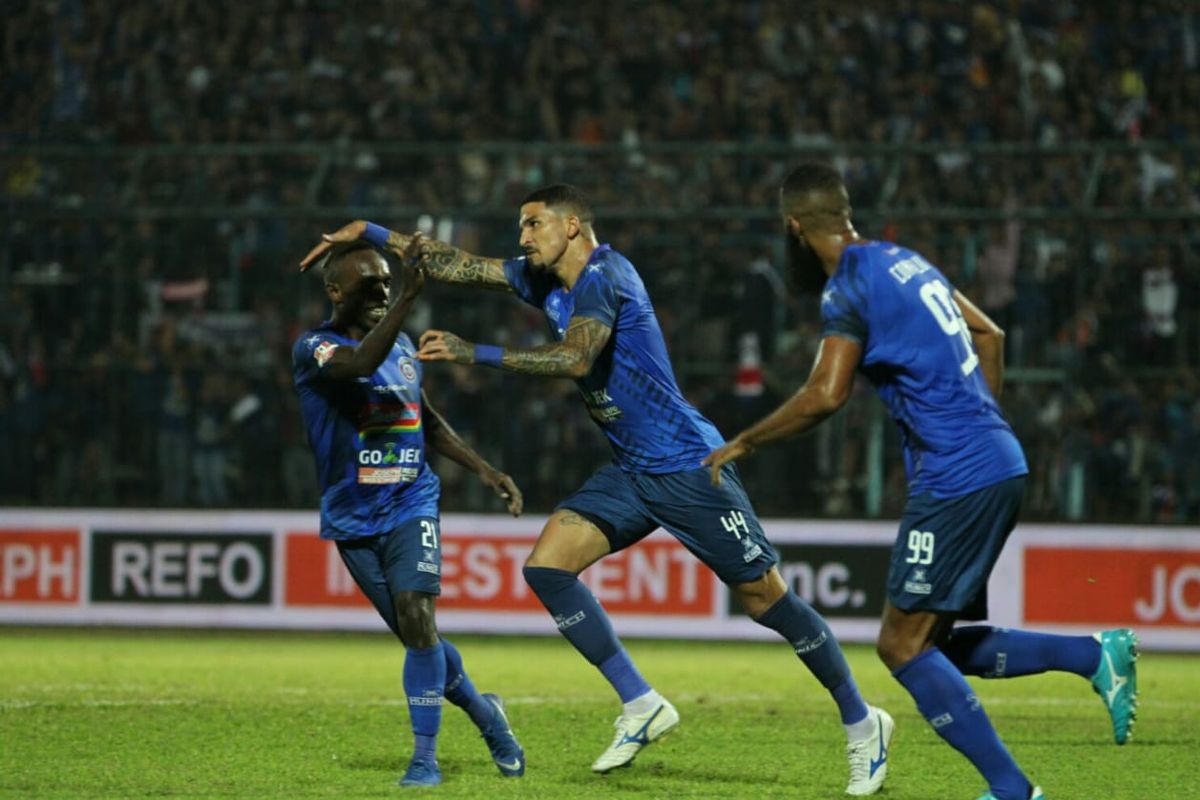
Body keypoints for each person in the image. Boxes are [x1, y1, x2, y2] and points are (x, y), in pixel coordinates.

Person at [300, 187, 895, 796]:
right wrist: (371, 232)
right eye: (521, 227)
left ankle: (862, 721)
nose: (523, 237)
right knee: (547, 568)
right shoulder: (545, 282)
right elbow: (459, 264)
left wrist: (473, 352)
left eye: (533, 224)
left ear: (573, 226)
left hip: (688, 465)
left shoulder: (607, 275)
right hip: (632, 470)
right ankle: (640, 703)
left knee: (766, 600)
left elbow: (577, 359)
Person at [704, 162, 1139, 800]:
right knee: (932, 642)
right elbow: (990, 335)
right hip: (996, 460)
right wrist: (982, 422)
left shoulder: (848, 286)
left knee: (900, 647)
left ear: (793, 228)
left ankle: (1013, 791)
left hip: (958, 478)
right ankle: (1093, 656)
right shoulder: (903, 259)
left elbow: (825, 396)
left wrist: (743, 439)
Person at [292, 239, 526, 788]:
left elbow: (426, 420)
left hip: (410, 501)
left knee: (418, 618)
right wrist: (408, 299)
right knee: (418, 641)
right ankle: (486, 713)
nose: (381, 292)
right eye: (368, 286)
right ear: (334, 291)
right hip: (352, 516)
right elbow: (357, 363)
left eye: (386, 283)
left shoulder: (397, 345)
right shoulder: (315, 349)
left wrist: (484, 469)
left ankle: (425, 759)